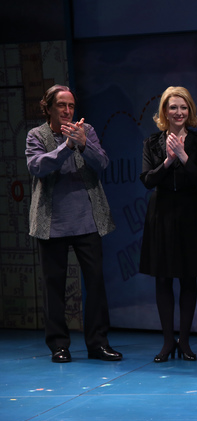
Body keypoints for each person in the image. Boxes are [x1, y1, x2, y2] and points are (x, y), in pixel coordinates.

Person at [26, 84, 122, 363]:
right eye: (61, 106)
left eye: (71, 106)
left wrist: (81, 143)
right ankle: (59, 345)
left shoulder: (85, 131)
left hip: (87, 220)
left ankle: (98, 343)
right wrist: (67, 148)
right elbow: (37, 166)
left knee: (95, 283)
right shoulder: (37, 135)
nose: (67, 111)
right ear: (49, 108)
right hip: (52, 222)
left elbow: (102, 163)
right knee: (53, 285)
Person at [139, 86, 197, 363]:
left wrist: (182, 155)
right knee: (163, 277)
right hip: (161, 212)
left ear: (189, 111)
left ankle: (185, 341)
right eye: (173, 107)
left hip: (189, 211)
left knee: (189, 276)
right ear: (165, 112)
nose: (178, 112)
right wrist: (168, 161)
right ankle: (168, 341)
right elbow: (147, 180)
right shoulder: (151, 143)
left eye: (183, 107)